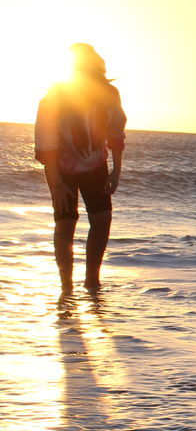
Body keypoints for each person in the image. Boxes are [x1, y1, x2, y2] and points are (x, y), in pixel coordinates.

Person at [34, 43, 127, 291]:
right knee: (65, 225)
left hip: (96, 167)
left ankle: (92, 281)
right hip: (60, 170)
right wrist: (57, 185)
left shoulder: (109, 94)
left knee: (102, 221)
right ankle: (66, 286)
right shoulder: (55, 97)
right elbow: (47, 146)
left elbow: (116, 134)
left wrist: (116, 171)